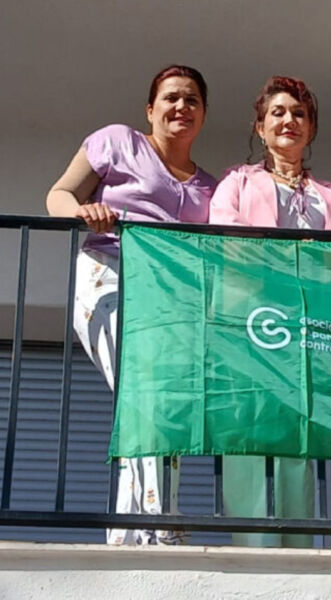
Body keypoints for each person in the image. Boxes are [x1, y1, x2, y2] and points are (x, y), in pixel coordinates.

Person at [46, 65, 217, 544]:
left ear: (203, 114)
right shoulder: (118, 142)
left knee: (162, 405)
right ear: (150, 109)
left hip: (172, 299)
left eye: (191, 100)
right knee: (147, 390)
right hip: (111, 276)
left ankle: (128, 534)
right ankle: (162, 527)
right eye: (171, 98)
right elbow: (59, 193)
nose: (181, 106)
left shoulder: (209, 186)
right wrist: (83, 212)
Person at [209, 75, 331, 547]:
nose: (289, 121)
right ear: (260, 128)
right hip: (246, 325)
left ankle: (297, 544)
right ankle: (250, 545)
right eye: (278, 113)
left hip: (305, 330)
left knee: (297, 437)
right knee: (244, 431)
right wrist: (294, 255)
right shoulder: (236, 183)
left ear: (312, 128)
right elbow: (227, 244)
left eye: (299, 113)